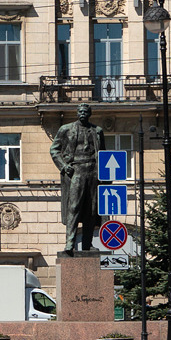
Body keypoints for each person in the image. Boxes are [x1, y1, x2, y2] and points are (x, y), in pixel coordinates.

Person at [50, 103, 105, 254]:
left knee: (91, 210)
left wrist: (105, 175)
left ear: (89, 114)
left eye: (85, 112)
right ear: (77, 113)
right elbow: (54, 150)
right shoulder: (66, 129)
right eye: (80, 111)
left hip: (93, 172)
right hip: (76, 171)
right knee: (74, 207)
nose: (82, 114)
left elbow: (103, 155)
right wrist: (63, 166)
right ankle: (70, 243)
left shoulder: (97, 131)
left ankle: (87, 244)